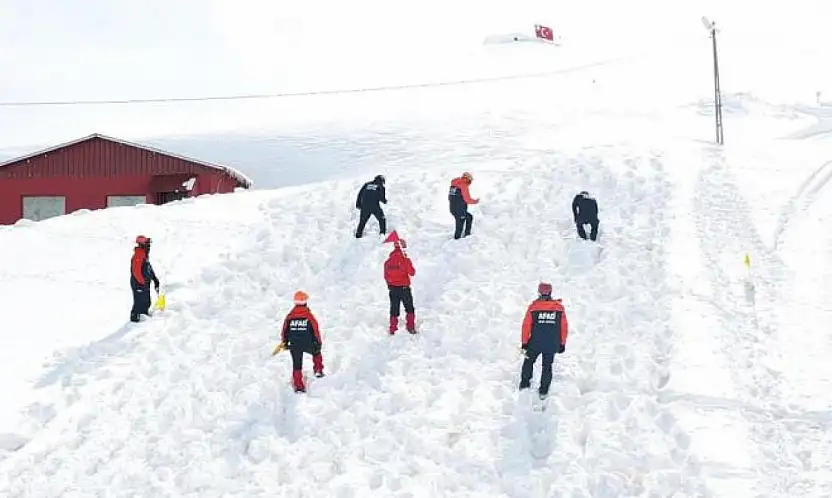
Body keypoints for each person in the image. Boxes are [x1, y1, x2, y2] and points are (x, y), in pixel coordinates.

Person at [519, 282, 569, 399]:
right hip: (551, 344)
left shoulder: (533, 307)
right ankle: (543, 391)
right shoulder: (559, 308)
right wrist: (562, 343)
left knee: (528, 361)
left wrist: (524, 342)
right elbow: (564, 327)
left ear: (539, 292)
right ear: (550, 293)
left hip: (535, 343)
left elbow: (526, 326)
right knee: (547, 366)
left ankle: (524, 385)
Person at [279, 290, 325, 392]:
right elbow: (315, 329)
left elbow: (284, 331)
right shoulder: (309, 316)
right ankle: (318, 370)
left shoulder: (290, 316)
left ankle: (299, 386)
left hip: (294, 345)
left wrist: (285, 342)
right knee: (316, 353)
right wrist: (318, 342)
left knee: (297, 364)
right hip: (308, 343)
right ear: (306, 302)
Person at [383, 236, 416, 334]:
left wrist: (391, 284)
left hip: (392, 289)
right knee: (409, 308)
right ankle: (410, 327)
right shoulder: (405, 260)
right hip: (404, 288)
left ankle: (393, 329)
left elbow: (385, 276)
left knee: (394, 308)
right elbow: (412, 273)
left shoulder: (387, 262)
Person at [130, 235, 160, 323]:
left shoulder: (144, 254)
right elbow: (136, 271)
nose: (149, 246)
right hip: (138, 284)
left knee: (146, 302)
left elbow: (148, 268)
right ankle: (135, 323)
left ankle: (144, 321)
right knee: (139, 304)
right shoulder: (139, 254)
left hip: (143, 283)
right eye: (147, 244)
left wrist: (154, 279)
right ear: (142, 244)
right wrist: (142, 283)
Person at [448, 172, 479, 239]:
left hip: (452, 208)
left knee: (469, 217)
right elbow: (467, 199)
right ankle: (457, 239)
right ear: (468, 179)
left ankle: (466, 235)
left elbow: (451, 198)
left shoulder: (454, 185)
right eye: (470, 179)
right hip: (460, 210)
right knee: (460, 225)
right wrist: (476, 201)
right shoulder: (463, 186)